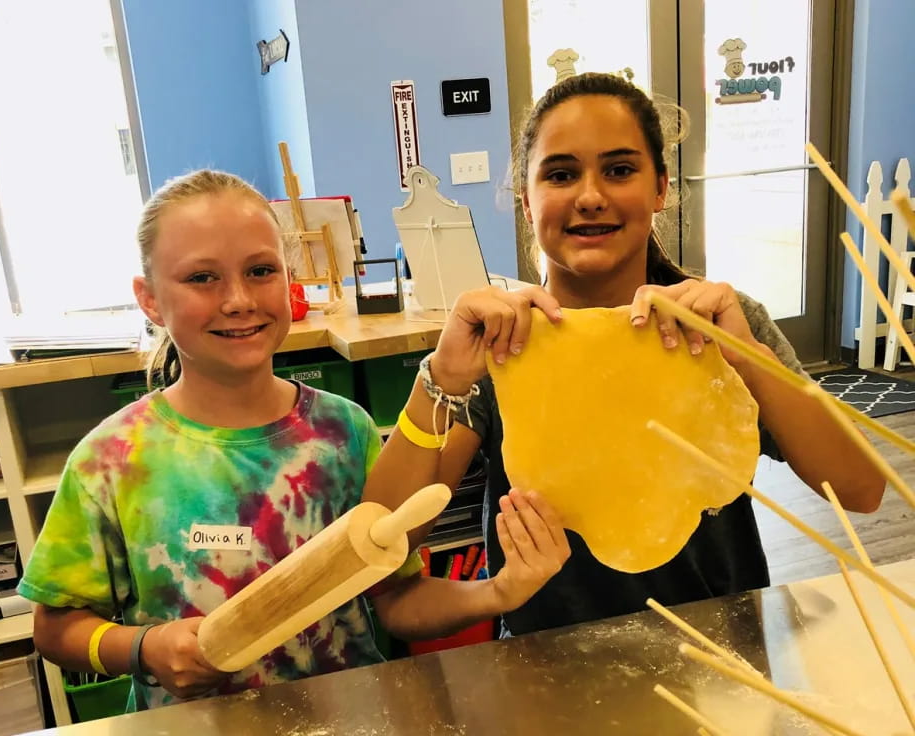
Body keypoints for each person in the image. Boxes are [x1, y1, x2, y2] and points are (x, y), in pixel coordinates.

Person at [17, 170, 569, 710]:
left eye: (260, 271)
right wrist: (142, 647)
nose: (238, 299)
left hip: (352, 717)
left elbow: (396, 600)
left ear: (289, 278)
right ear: (150, 299)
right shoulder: (112, 459)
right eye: (202, 278)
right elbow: (55, 627)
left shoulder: (344, 431)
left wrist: (499, 591)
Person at [368, 71, 885, 638]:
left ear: (661, 187)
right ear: (526, 200)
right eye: (561, 174)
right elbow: (384, 545)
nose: (590, 197)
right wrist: (440, 378)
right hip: (547, 664)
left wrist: (748, 357)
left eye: (619, 170)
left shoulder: (721, 327)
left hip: (724, 653)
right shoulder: (501, 346)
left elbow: (861, 489)